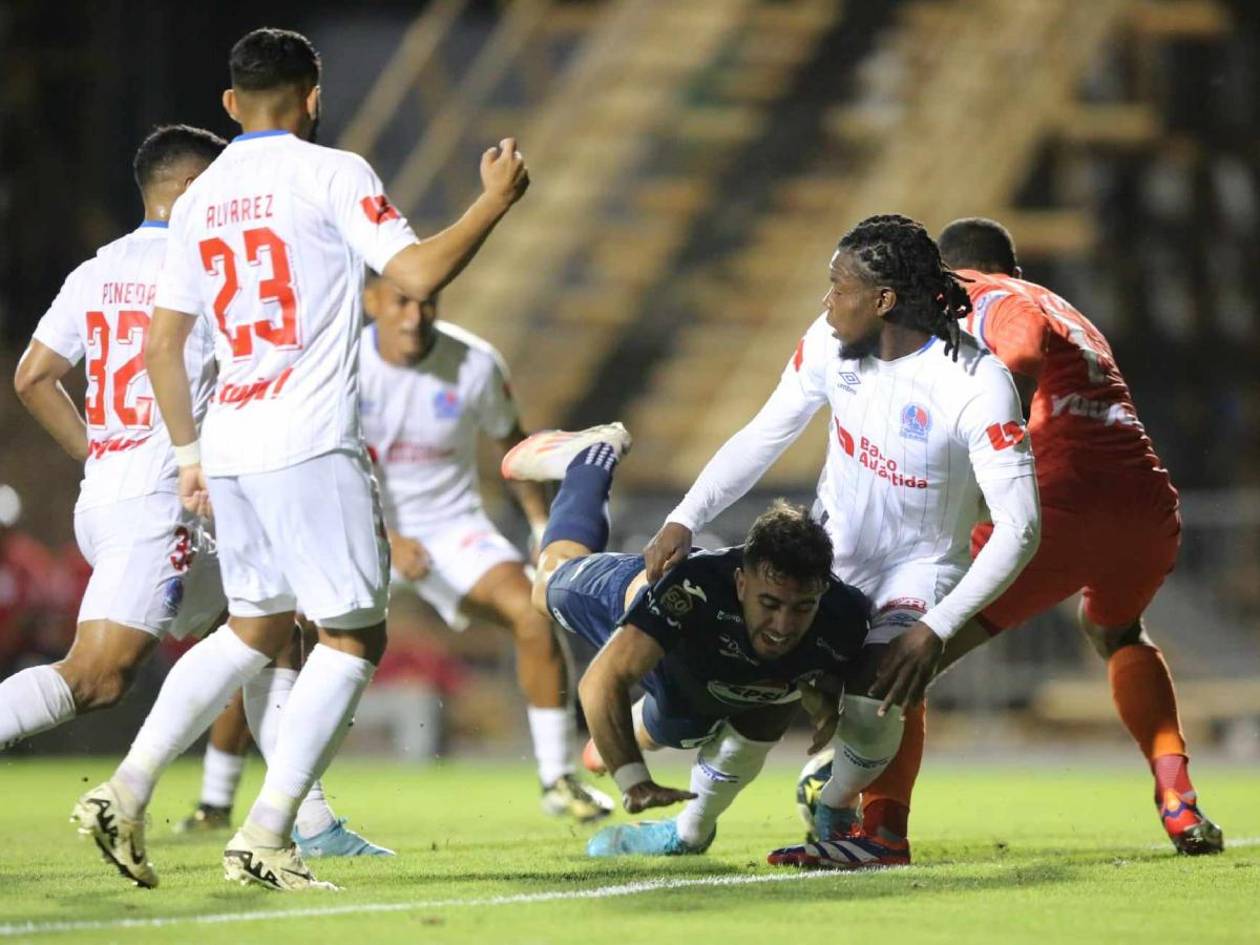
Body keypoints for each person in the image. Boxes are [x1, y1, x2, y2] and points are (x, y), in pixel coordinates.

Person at [75, 27, 528, 891]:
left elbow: (162, 345)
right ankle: (269, 833)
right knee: (354, 636)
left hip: (231, 444)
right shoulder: (333, 172)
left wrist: (188, 455)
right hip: (309, 436)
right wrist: (495, 200)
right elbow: (419, 273)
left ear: (230, 105)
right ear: (313, 97)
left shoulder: (200, 199)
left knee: (253, 628)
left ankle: (126, 787)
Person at [643, 214, 1042, 869]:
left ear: (883, 300)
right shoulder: (831, 344)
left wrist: (937, 627)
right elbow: (764, 433)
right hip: (829, 557)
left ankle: (837, 809)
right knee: (753, 688)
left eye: (838, 286)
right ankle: (689, 827)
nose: (826, 301)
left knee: (875, 685)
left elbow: (1022, 525)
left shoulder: (975, 383)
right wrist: (686, 514)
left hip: (920, 570)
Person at [842, 217, 1220, 857]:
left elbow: (1014, 361)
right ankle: (1177, 796)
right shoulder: (1070, 310)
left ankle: (878, 827)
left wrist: (984, 464)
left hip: (1058, 500)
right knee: (1116, 630)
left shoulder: (991, 298)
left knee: (905, 655)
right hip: (1146, 504)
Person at [179, 282, 613, 827]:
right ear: (372, 301)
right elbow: (309, 459)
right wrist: (385, 531)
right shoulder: (337, 361)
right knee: (270, 634)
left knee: (532, 611)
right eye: (401, 301)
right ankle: (216, 800)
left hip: (451, 529)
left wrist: (539, 526)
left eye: (427, 302)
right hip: (352, 520)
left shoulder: (474, 363)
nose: (415, 315)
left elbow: (513, 444)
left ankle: (557, 780)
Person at [502, 423, 875, 858]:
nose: (782, 624)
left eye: (801, 608)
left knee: (710, 716)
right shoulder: (691, 591)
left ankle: (670, 798)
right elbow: (600, 682)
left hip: (701, 683)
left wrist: (827, 694)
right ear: (740, 583)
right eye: (769, 603)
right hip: (634, 612)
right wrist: (633, 780)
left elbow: (829, 670)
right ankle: (592, 459)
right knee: (544, 586)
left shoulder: (845, 616)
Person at [2, 127, 228, 755]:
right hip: (159, 500)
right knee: (97, 677)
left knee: (270, 623)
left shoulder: (94, 272)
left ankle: (300, 817)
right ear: (189, 189)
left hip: (113, 496)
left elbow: (33, 378)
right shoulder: (205, 270)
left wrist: (97, 452)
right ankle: (137, 787)